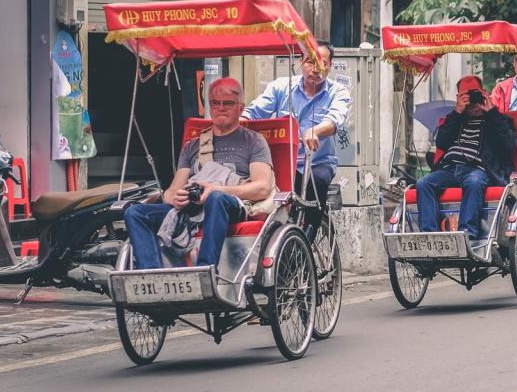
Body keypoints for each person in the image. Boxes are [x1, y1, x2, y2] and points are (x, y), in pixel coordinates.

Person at [125, 78, 274, 269]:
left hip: (230, 204)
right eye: (215, 103)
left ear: (240, 107)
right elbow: (171, 191)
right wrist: (175, 198)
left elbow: (262, 188)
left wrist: (216, 190)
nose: (221, 108)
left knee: (216, 199)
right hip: (191, 209)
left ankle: (205, 270)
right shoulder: (192, 146)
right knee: (135, 212)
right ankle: (151, 275)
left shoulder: (254, 142)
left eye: (228, 103)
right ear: (209, 106)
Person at [243, 43, 351, 234]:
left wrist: (315, 131)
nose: (315, 68)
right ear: (301, 62)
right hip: (283, 163)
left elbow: (335, 120)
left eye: (322, 63)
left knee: (316, 184)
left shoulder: (338, 92)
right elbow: (253, 112)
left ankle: (307, 244)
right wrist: (239, 123)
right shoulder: (281, 87)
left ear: (329, 66)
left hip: (318, 162)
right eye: (310, 62)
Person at [417, 75, 517, 242]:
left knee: (473, 182)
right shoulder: (455, 118)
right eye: (467, 97)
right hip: (449, 169)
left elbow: (509, 145)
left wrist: (492, 112)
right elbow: (441, 142)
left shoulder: (498, 119)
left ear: (484, 94)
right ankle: (430, 237)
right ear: (459, 98)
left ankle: (467, 234)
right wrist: (457, 112)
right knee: (423, 183)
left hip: (478, 170)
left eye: (476, 95)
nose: (472, 102)